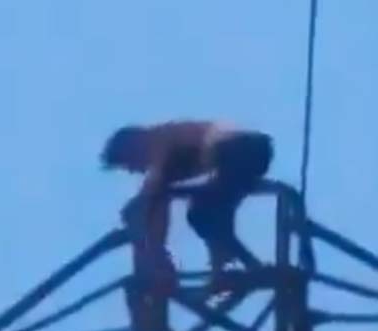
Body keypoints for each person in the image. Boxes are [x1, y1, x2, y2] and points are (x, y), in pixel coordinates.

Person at [101, 120, 274, 294]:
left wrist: (138, 204)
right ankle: (228, 268)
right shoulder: (175, 158)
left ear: (134, 144)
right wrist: (158, 252)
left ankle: (244, 265)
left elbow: (155, 183)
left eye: (129, 162)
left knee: (205, 212)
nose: (133, 170)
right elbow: (160, 200)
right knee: (202, 215)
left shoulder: (158, 138)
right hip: (249, 153)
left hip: (240, 149)